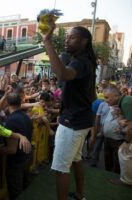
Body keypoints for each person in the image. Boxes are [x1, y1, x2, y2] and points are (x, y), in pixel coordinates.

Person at [42, 18, 96, 200]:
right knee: (76, 159)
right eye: (67, 37)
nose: (67, 40)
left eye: (72, 38)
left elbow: (62, 74)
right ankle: (80, 195)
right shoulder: (85, 60)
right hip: (79, 120)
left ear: (83, 41)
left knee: (60, 167)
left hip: (73, 123)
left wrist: (47, 41)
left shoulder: (81, 62)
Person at [0, 93, 33, 200]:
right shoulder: (26, 116)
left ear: (7, 103)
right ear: (20, 103)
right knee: (26, 188)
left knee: (16, 193)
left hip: (17, 162)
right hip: (27, 157)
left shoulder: (11, 121)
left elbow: (11, 149)